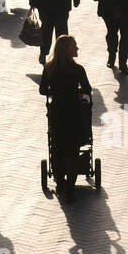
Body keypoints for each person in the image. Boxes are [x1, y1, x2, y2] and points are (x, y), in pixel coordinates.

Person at [39, 35, 92, 202]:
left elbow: (42, 90)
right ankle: (70, 187)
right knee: (73, 151)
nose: (77, 48)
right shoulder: (78, 69)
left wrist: (55, 92)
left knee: (57, 148)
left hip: (56, 113)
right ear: (67, 50)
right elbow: (87, 89)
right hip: (74, 113)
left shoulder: (49, 68)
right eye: (74, 46)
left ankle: (60, 181)